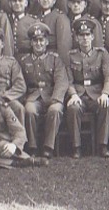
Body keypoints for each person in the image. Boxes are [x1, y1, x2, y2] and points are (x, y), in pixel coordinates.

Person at [18, 22, 70, 158]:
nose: (38, 44)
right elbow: (21, 83)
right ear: (31, 43)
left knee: (55, 110)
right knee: (29, 110)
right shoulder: (24, 61)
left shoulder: (55, 59)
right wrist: (24, 99)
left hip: (51, 95)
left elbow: (61, 81)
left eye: (41, 40)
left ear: (46, 42)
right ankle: (33, 147)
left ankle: (48, 147)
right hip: (33, 96)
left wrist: (56, 98)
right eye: (35, 41)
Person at [64, 16, 109, 156]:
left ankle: (103, 145)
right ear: (76, 38)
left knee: (106, 105)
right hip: (79, 93)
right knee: (73, 107)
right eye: (81, 35)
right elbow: (67, 79)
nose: (85, 38)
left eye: (87, 35)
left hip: (96, 93)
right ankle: (76, 147)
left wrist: (105, 93)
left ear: (92, 37)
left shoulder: (102, 54)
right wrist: (73, 94)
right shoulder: (70, 55)